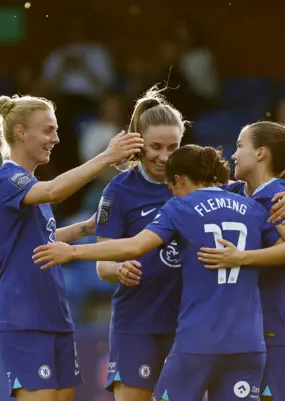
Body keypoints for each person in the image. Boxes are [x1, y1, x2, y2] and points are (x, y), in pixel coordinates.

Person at [33, 145, 285, 401]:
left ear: (178, 180)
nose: (171, 193)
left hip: (198, 341)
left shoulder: (180, 207)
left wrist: (73, 253)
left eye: (170, 186)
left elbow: (135, 245)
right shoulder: (253, 208)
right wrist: (245, 258)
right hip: (249, 343)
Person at [0, 94, 142, 401]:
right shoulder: (6, 180)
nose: (55, 139)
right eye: (47, 130)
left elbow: (44, 239)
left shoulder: (28, 184)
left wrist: (86, 227)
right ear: (20, 132)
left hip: (54, 315)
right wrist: (107, 157)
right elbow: (55, 191)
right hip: (23, 317)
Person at [198, 121, 285, 401]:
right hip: (246, 331)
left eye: (240, 146)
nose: (233, 154)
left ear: (260, 153)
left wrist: (241, 258)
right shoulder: (237, 194)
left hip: (279, 329)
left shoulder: (279, 196)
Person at [94, 87, 186, 401]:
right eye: (156, 147)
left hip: (188, 323)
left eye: (173, 147)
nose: (164, 156)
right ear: (138, 143)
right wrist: (118, 269)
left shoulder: (194, 183)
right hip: (137, 323)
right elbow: (102, 264)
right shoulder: (119, 191)